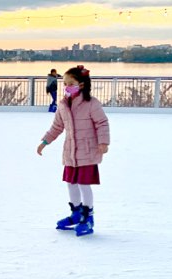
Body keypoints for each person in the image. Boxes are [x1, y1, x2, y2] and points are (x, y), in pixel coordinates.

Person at [36, 65, 110, 237]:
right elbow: (57, 126)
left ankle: (88, 217)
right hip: (70, 152)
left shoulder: (91, 104)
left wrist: (103, 142)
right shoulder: (63, 104)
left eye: (70, 83)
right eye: (65, 83)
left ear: (81, 84)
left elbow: (102, 123)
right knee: (71, 183)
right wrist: (45, 141)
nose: (66, 86)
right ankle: (76, 213)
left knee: (84, 184)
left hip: (87, 150)